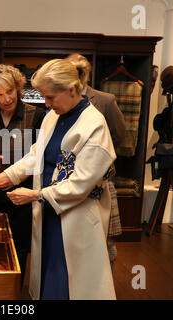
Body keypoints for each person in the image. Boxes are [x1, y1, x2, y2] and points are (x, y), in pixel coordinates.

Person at [0, 59, 116, 300]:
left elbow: (80, 184)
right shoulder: (54, 116)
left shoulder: (94, 126)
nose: (46, 103)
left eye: (50, 97)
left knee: (72, 283)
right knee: (48, 279)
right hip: (50, 213)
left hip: (77, 218)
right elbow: (34, 156)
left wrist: (35, 195)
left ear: (72, 89)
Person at [0, 64, 45, 284]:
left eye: (9, 91)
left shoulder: (36, 116)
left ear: (17, 87)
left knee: (19, 247)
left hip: (20, 195)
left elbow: (40, 158)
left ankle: (14, 291)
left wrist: (17, 177)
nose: (6, 99)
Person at [65, 53, 126, 273]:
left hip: (99, 182)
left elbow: (119, 134)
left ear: (87, 72)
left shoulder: (105, 99)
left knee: (101, 241)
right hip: (70, 181)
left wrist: (98, 158)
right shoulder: (58, 99)